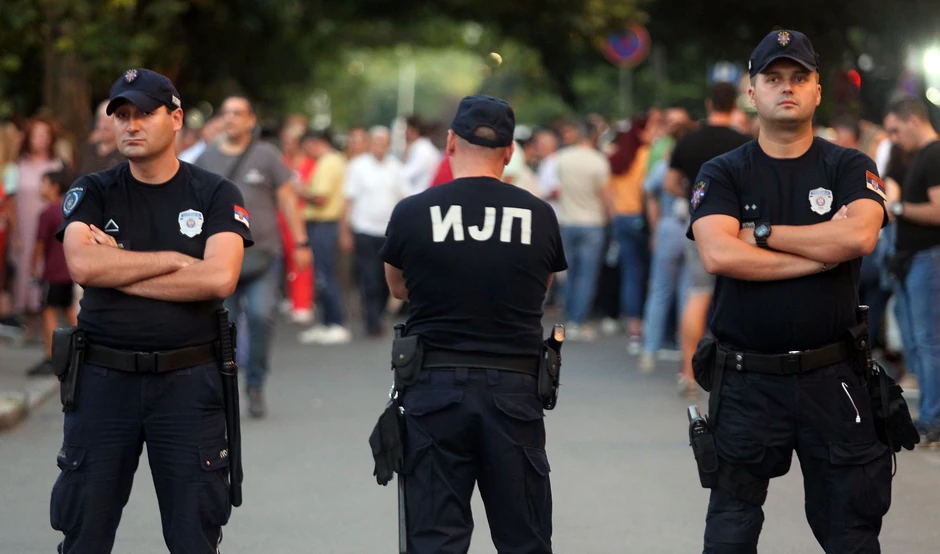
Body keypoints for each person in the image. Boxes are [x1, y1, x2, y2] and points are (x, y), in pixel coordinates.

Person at [688, 30, 893, 552]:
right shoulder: (724, 171)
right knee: (730, 531)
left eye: (799, 78)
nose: (788, 88)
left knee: (851, 533)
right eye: (773, 78)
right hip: (747, 379)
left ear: (817, 91)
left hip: (834, 379)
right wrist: (824, 253)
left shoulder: (849, 165)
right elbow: (718, 254)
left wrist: (758, 235)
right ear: (751, 93)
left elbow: (860, 235)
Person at [51, 68, 252, 553]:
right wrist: (176, 261)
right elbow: (82, 264)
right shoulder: (94, 189)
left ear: (177, 118)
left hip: (187, 385)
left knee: (193, 538)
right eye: (121, 115)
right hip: (103, 381)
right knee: (84, 535)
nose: (130, 125)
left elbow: (218, 278)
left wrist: (117, 263)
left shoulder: (216, 194)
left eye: (143, 113)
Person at [380, 95, 567, 553]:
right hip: (514, 393)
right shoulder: (539, 216)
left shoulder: (412, 212)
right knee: (524, 538)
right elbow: (539, 290)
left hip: (434, 391)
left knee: (435, 539)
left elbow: (398, 287)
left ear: (449, 143)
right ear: (509, 152)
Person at [195, 94, 310, 417]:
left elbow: (287, 199)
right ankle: (225, 387)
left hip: (263, 255)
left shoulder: (267, 155)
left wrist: (301, 243)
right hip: (220, 260)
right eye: (226, 113)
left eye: (237, 113)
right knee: (224, 325)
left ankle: (256, 384)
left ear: (250, 119)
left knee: (260, 317)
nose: (230, 118)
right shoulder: (206, 159)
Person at [665, 81, 750, 394]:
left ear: (708, 103)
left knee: (697, 293)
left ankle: (688, 371)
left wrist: (693, 198)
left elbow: (670, 181)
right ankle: (739, 370)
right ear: (735, 105)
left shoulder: (689, 141)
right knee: (740, 296)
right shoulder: (745, 142)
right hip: (741, 228)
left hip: (699, 224)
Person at [882, 97, 940, 444]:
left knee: (928, 340)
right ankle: (930, 414)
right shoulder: (918, 155)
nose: (894, 137)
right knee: (919, 340)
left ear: (914, 121)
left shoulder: (934, 154)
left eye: (896, 130)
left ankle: (934, 418)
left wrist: (899, 206)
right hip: (912, 259)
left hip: (927, 257)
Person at [340, 126, 408, 337]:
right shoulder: (357, 166)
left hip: (387, 232)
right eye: (376, 142)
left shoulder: (396, 168)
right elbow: (348, 200)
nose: (380, 146)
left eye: (384, 142)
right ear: (370, 144)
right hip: (364, 229)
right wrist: (345, 231)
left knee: (383, 278)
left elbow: (404, 198)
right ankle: (372, 320)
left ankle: (376, 313)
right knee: (368, 276)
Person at [296, 129, 354, 345]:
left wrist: (298, 190)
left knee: (325, 275)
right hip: (321, 224)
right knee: (322, 274)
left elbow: (320, 197)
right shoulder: (329, 161)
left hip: (324, 224)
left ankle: (336, 322)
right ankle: (328, 322)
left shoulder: (329, 162)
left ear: (314, 142)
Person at [26, 168, 77, 375]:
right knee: (69, 311)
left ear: (55, 187)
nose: (40, 188)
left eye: (44, 183)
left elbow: (39, 246)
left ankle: (51, 356)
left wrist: (32, 270)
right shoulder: (68, 211)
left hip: (52, 274)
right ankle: (87, 347)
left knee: (48, 312)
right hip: (69, 273)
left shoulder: (47, 212)